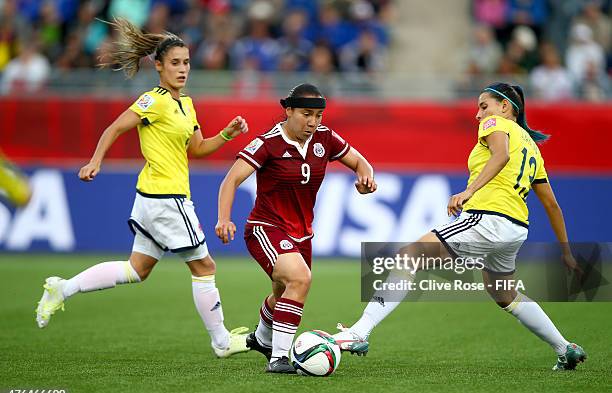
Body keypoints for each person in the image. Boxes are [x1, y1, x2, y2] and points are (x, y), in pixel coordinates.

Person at [333, 82, 587, 371]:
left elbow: (500, 156)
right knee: (504, 293)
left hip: (488, 218)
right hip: (515, 229)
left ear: (505, 107)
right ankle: (564, 347)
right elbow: (552, 205)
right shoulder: (532, 148)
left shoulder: (496, 123)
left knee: (409, 255)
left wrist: (468, 192)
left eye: (484, 106)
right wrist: (566, 252)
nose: (478, 115)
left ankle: (359, 331)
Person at [35, 18, 250, 358]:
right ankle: (221, 341)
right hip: (166, 198)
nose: (183, 69)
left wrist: (227, 134)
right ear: (159, 65)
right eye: (175, 63)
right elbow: (114, 127)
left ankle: (63, 288)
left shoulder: (186, 104)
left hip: (155, 198)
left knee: (137, 269)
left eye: (187, 62)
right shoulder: (155, 100)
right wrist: (95, 161)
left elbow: (196, 148)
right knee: (205, 267)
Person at [216, 83, 377, 373]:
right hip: (265, 228)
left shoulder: (325, 138)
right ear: (288, 111)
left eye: (318, 115)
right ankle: (279, 358)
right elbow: (230, 180)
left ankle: (262, 339)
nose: (313, 122)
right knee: (300, 279)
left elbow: (360, 162)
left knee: (283, 293)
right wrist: (224, 219)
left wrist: (366, 179)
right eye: (306, 114)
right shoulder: (268, 143)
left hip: (302, 233)